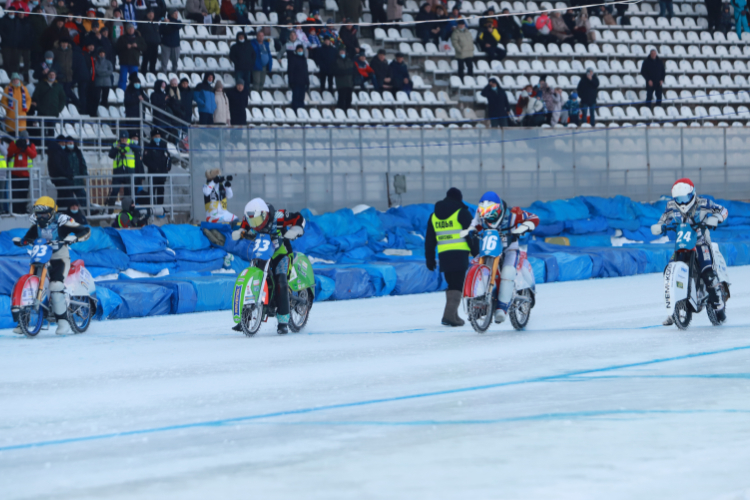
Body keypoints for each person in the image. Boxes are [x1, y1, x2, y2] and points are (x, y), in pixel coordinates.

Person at [651, 179, 727, 324]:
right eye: (679, 199)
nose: (683, 202)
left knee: (707, 272)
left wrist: (716, 218)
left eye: (685, 198)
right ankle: (673, 309)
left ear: (693, 194)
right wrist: (660, 226)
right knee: (669, 271)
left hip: (700, 243)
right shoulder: (671, 206)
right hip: (682, 244)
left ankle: (718, 305)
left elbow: (723, 210)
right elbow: (664, 219)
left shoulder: (704, 203)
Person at [12, 196, 91, 335]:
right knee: (31, 284)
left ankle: (63, 321)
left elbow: (85, 230)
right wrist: (23, 241)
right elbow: (29, 237)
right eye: (38, 214)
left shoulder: (62, 220)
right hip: (40, 257)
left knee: (56, 285)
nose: (41, 217)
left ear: (52, 212)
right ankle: (23, 321)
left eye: (44, 214)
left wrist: (75, 238)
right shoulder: (36, 223)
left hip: (59, 257)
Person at [231, 197, 306, 334]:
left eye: (257, 221)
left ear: (265, 215)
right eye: (252, 222)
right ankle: (245, 320)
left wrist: (296, 230)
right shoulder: (251, 218)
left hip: (281, 253)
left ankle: (283, 321)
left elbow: (299, 218)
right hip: (262, 254)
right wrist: (241, 230)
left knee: (281, 280)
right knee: (253, 276)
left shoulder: (279, 216)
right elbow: (245, 225)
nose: (255, 225)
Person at [470, 191, 539, 324]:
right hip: (489, 247)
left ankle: (502, 307)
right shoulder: (480, 214)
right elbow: (476, 224)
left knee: (508, 270)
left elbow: (534, 218)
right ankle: (478, 300)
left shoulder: (513, 215)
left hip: (509, 248)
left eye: (490, 213)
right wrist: (471, 230)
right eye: (484, 214)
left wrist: (522, 228)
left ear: (498, 208)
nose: (487, 217)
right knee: (476, 264)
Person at [425, 188, 476, 327]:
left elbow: (430, 239)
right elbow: (471, 233)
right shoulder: (462, 212)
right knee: (458, 284)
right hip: (459, 254)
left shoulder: (434, 215)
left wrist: (429, 258)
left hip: (444, 255)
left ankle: (453, 314)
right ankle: (449, 315)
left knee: (451, 283)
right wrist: (476, 251)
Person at [7, 134, 38, 214]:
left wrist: (26, 147)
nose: (25, 140)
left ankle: (23, 210)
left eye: (26, 138)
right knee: (15, 193)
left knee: (24, 193)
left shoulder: (31, 145)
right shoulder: (14, 143)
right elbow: (9, 153)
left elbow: (33, 155)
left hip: (26, 174)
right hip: (14, 174)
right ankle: (15, 210)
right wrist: (17, 145)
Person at [106, 131, 136, 207]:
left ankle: (128, 208)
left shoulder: (132, 142)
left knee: (128, 191)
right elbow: (111, 155)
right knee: (115, 190)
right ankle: (110, 209)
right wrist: (117, 148)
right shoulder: (115, 144)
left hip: (129, 170)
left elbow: (138, 150)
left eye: (125, 139)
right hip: (118, 171)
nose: (123, 140)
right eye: (122, 139)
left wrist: (129, 145)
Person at [142, 129, 171, 205]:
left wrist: (168, 166)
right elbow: (145, 159)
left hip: (162, 173)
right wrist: (154, 167)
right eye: (156, 136)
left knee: (161, 191)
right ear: (152, 137)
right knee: (152, 191)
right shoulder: (148, 146)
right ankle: (151, 206)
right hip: (153, 173)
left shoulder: (163, 145)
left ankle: (160, 207)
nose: (158, 138)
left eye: (159, 136)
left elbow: (168, 156)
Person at [115, 22, 146, 90]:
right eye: (129, 28)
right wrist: (125, 46)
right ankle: (121, 92)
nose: (130, 30)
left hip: (134, 62)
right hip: (124, 61)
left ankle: (134, 92)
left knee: (134, 79)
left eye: (131, 28)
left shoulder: (139, 38)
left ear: (134, 29)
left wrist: (137, 46)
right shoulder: (122, 38)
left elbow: (144, 48)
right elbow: (117, 48)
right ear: (126, 30)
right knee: (123, 79)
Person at [62, 136, 88, 209]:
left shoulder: (78, 152)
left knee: (83, 197)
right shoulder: (64, 153)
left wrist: (85, 175)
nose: (71, 144)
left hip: (78, 181)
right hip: (68, 181)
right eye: (69, 142)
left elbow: (83, 164)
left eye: (72, 142)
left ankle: (88, 211)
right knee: (68, 200)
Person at [334, 46, 356, 111]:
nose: (342, 53)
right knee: (341, 99)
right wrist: (346, 71)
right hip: (341, 84)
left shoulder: (350, 61)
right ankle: (341, 112)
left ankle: (348, 112)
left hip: (349, 84)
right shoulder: (336, 61)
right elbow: (336, 71)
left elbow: (354, 71)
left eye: (343, 52)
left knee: (349, 99)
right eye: (341, 52)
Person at [93, 47, 114, 114]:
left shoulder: (108, 62)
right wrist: (105, 72)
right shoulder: (96, 62)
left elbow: (110, 71)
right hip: (98, 82)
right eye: (101, 53)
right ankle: (95, 111)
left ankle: (104, 111)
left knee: (105, 98)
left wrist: (102, 73)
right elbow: (96, 70)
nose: (102, 54)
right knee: (96, 97)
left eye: (103, 53)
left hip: (107, 82)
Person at [288, 45, 309, 110]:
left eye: (301, 49)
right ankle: (295, 111)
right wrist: (291, 81)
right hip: (295, 82)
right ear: (296, 50)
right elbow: (290, 71)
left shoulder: (303, 59)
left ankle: (301, 111)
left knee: (301, 98)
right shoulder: (293, 59)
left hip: (303, 82)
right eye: (299, 49)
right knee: (295, 98)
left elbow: (306, 71)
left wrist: (307, 82)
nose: (300, 51)